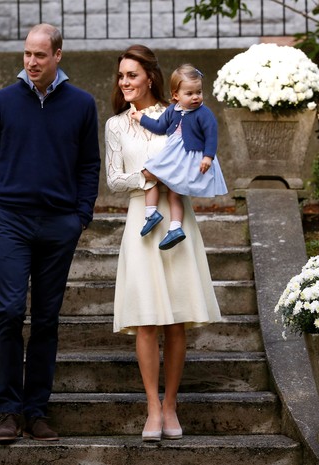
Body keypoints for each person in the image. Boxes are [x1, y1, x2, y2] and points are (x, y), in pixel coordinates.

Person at [0, 23, 100, 444]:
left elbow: (89, 165)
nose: (32, 62)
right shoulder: (2, 102)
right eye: (27, 54)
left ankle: (37, 412)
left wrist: (81, 216)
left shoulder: (82, 104)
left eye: (40, 55)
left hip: (59, 224)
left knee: (46, 318)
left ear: (58, 55)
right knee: (7, 313)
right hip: (11, 220)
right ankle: (8, 411)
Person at [105, 45, 222, 442]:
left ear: (150, 78)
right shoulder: (116, 125)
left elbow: (196, 155)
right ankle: (152, 407)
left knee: (176, 319)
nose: (125, 83)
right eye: (121, 77)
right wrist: (150, 177)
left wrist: (180, 174)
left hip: (177, 216)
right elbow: (114, 179)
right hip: (141, 216)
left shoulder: (176, 114)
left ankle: (171, 404)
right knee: (146, 318)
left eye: (132, 76)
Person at [130, 63, 227, 250]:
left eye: (198, 92)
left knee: (162, 182)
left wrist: (208, 157)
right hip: (174, 156)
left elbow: (211, 135)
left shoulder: (203, 113)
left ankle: (164, 220)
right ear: (176, 95)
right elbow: (159, 126)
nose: (196, 97)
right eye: (189, 93)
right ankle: (162, 220)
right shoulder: (172, 111)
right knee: (157, 181)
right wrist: (141, 118)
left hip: (189, 158)